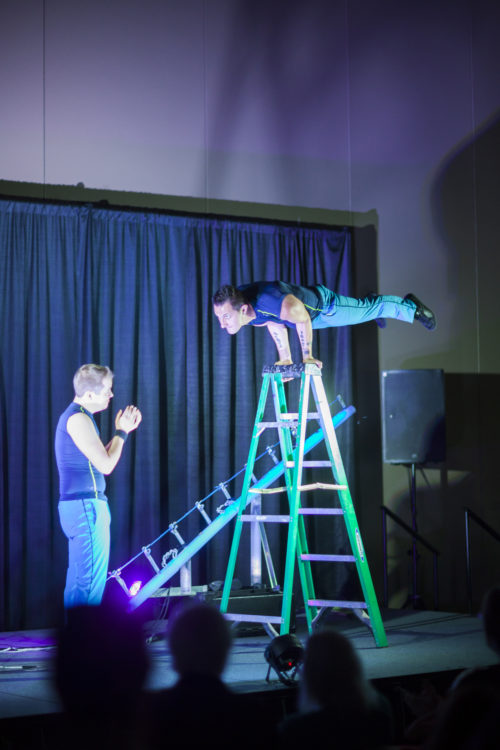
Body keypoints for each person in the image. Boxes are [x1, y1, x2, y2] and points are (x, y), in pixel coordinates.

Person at [54, 364, 142, 608]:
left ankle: (77, 639)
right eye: (107, 391)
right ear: (90, 395)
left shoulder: (79, 416)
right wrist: (122, 432)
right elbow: (106, 465)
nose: (111, 396)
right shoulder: (78, 418)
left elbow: (95, 461)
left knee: (81, 580)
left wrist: (120, 433)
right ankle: (84, 641)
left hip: (82, 506)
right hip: (85, 508)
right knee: (88, 582)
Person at [213, 281, 436, 369]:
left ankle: (411, 307)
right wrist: (286, 358)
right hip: (306, 317)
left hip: (324, 307)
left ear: (241, 310)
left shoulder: (272, 301)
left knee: (368, 309)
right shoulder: (243, 305)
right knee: (363, 310)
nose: (223, 325)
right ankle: (370, 305)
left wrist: (307, 356)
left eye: (226, 318)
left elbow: (301, 319)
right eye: (219, 318)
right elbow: (273, 321)